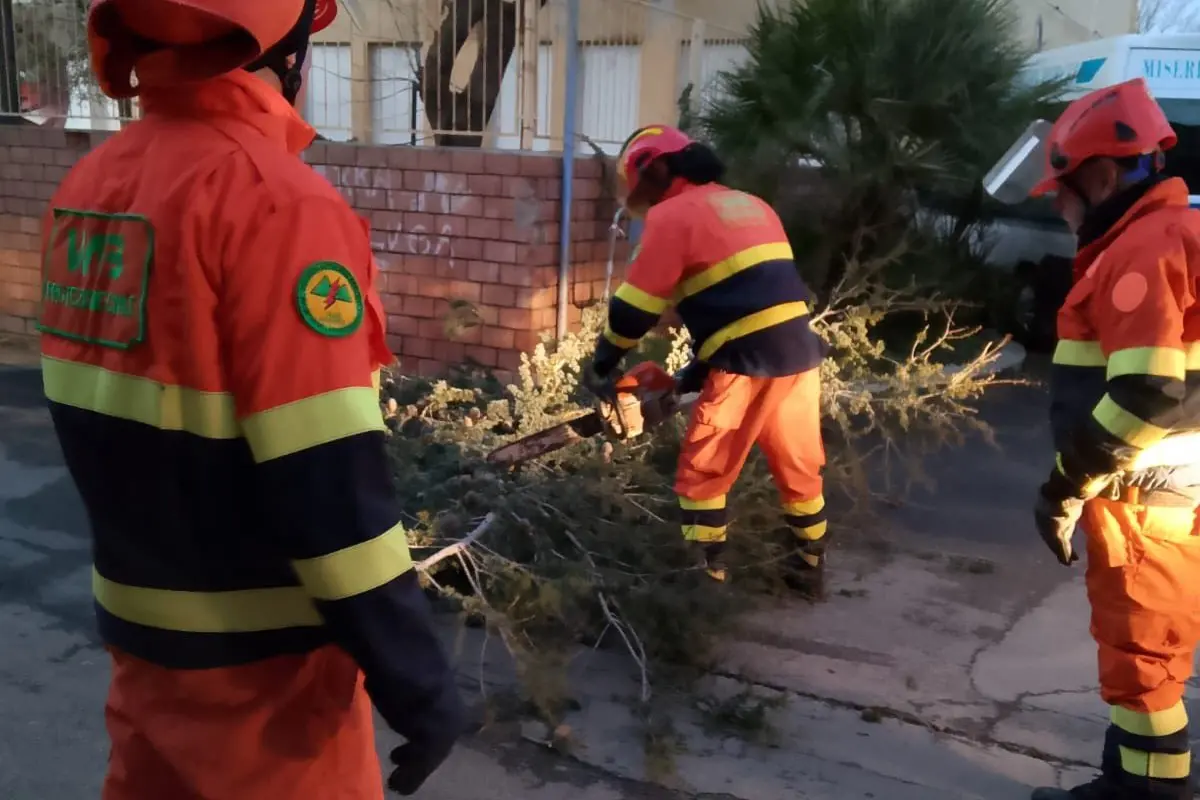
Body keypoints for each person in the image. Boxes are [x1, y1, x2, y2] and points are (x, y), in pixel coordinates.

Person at [37, 1, 465, 798]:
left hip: (146, 658)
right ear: (286, 48)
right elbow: (325, 478)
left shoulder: (89, 185)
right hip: (268, 694)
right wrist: (417, 680)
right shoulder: (276, 203)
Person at [1015, 78, 1200, 800]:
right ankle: (1129, 782)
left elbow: (1147, 393)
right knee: (1155, 652)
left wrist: (1064, 486)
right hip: (1172, 486)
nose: (1061, 211)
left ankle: (1150, 795)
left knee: (1140, 659)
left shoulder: (1140, 249)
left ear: (1098, 177)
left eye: (1061, 193)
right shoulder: (1178, 231)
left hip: (1145, 491)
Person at [583, 124, 829, 590]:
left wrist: (603, 360)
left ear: (654, 169)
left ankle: (704, 581)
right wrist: (699, 365)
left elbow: (636, 307)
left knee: (704, 472)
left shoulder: (673, 216)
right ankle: (810, 568)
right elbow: (755, 293)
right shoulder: (752, 204)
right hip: (798, 351)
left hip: (747, 361)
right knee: (799, 466)